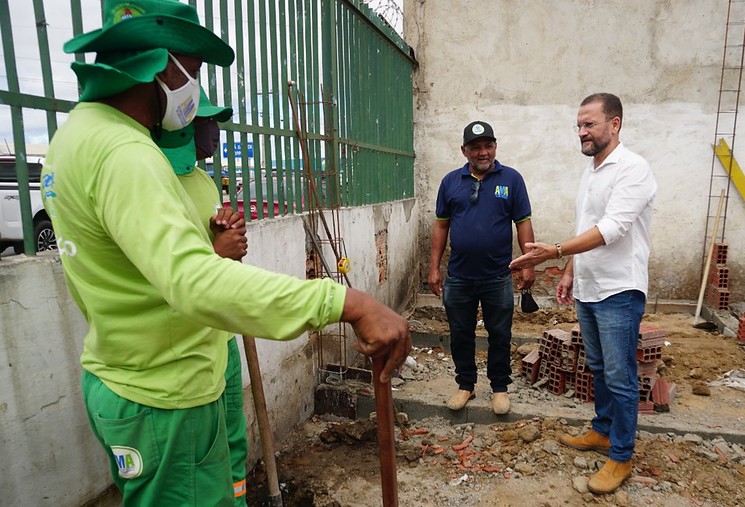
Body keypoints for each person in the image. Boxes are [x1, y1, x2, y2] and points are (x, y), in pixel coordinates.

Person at [42, 1, 411, 505]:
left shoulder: (75, 138)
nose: (193, 88)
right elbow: (194, 281)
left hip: (129, 374)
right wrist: (345, 302)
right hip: (165, 395)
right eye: (190, 72)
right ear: (160, 65)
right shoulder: (125, 154)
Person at [509, 93, 657, 494]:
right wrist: (570, 272)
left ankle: (621, 457)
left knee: (621, 376)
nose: (582, 132)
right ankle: (603, 430)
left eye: (589, 124)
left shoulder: (633, 169)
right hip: (590, 289)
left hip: (619, 290)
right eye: (578, 125)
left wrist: (554, 251)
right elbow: (586, 226)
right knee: (598, 366)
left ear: (615, 124)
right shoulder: (591, 172)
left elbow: (612, 229)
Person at [154, 89, 249, 504]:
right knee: (198, 461)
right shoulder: (154, 180)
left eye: (214, 122)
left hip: (221, 333)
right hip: (182, 346)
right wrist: (216, 252)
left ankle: (239, 498)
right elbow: (163, 272)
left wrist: (227, 228)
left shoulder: (201, 177)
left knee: (232, 435)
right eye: (204, 122)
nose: (212, 131)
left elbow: (214, 239)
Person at [428, 120, 535, 415]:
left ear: (495, 147)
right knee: (460, 334)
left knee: (500, 333)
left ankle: (499, 388)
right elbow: (441, 226)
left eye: (488, 146)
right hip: (459, 277)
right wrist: (434, 267)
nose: (483, 152)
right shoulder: (450, 182)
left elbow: (523, 223)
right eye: (476, 147)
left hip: (498, 276)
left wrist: (528, 263)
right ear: (465, 151)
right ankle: (466, 385)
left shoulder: (511, 180)